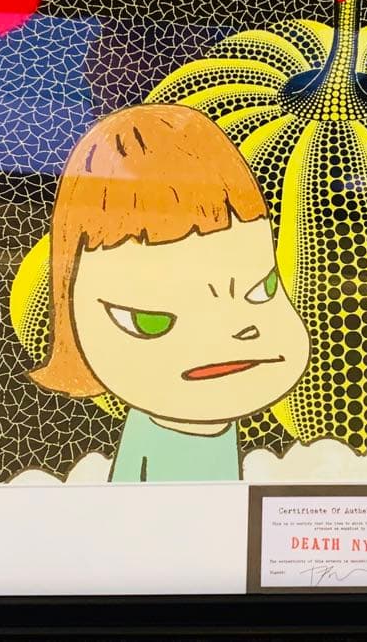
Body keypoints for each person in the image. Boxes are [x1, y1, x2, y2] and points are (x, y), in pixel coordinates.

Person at [29, 105, 309, 482]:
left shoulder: (212, 419)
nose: (234, 331)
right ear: (73, 316)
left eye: (261, 290)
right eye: (151, 321)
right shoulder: (160, 433)